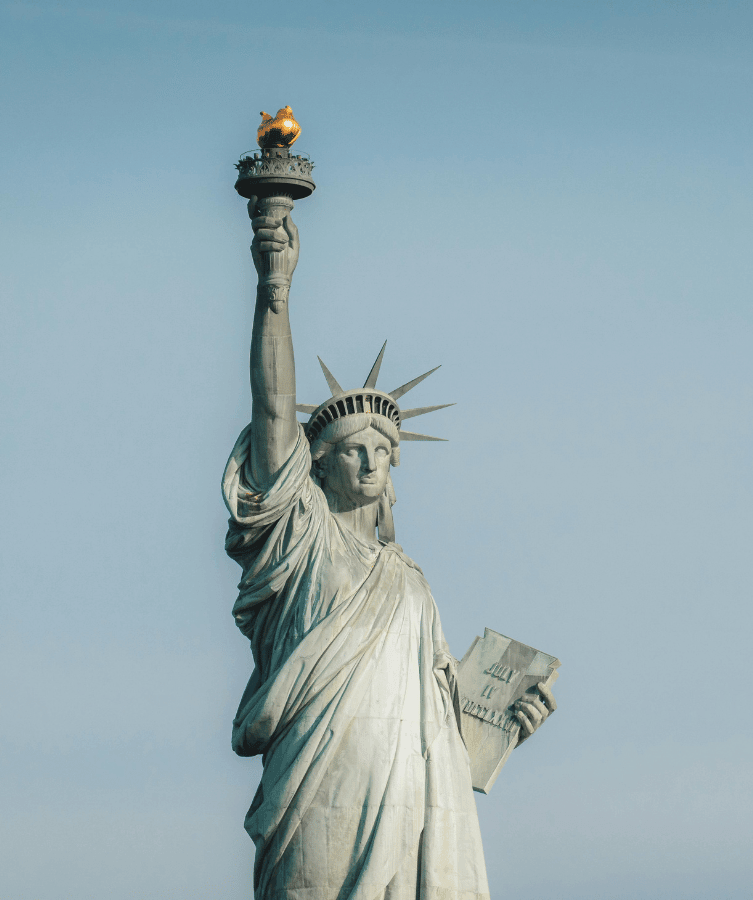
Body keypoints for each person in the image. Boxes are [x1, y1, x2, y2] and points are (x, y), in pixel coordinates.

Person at [222, 196, 556, 900]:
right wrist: (274, 287)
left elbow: (446, 725)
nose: (371, 464)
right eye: (351, 450)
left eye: (383, 450)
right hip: (319, 792)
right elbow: (276, 412)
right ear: (314, 468)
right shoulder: (300, 542)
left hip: (415, 809)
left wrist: (507, 724)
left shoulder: (411, 586)